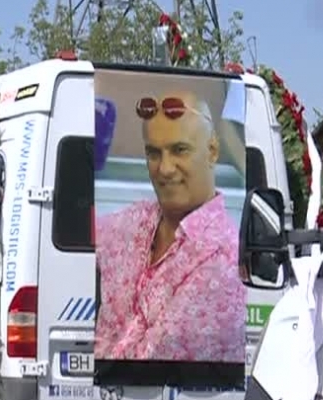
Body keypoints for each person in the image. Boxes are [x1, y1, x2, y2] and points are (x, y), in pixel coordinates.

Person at [94, 91, 246, 363]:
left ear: (212, 151)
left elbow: (146, 366)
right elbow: (72, 239)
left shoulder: (223, 263)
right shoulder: (138, 219)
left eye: (179, 150)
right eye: (154, 153)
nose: (164, 169)